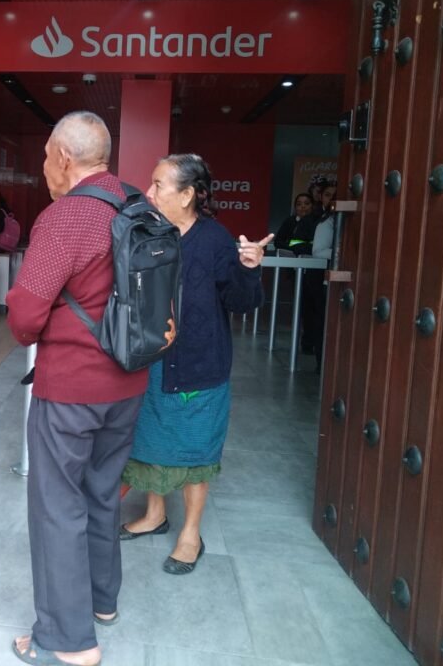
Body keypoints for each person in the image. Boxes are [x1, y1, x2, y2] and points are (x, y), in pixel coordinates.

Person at [6, 111, 145, 666]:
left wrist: (29, 327)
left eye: (45, 156)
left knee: (57, 504)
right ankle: (101, 600)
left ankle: (68, 641)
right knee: (101, 491)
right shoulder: (137, 206)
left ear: (64, 157)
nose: (44, 166)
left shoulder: (65, 217)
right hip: (129, 382)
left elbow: (26, 315)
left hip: (70, 388)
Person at [120, 154, 269, 575]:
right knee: (149, 441)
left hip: (200, 363)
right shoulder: (150, 232)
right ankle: (154, 514)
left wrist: (249, 269)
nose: (149, 192)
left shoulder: (215, 240)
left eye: (159, 185)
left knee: (195, 449)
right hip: (154, 358)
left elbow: (240, 302)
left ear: (187, 195)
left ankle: (191, 533)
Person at [304, 182, 337, 371]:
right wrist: (343, 254)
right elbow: (317, 251)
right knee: (322, 320)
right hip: (323, 278)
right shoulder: (327, 222)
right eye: (327, 195)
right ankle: (321, 363)